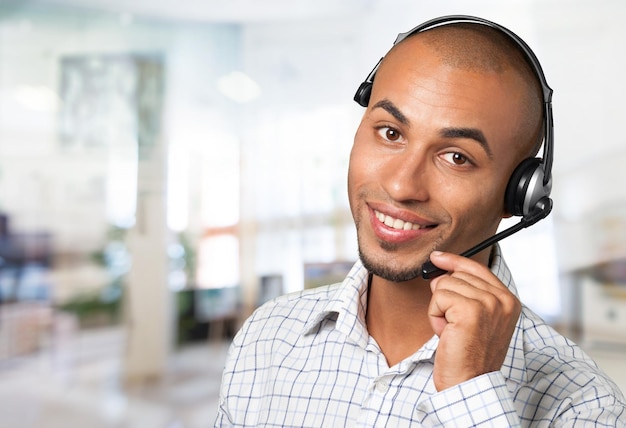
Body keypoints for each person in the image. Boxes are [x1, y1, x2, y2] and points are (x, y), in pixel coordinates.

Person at [215, 15, 626, 427]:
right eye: (390, 133)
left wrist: (472, 393)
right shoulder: (266, 336)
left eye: (456, 157)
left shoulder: (585, 406)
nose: (400, 185)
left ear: (518, 194)